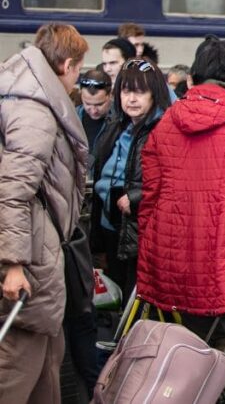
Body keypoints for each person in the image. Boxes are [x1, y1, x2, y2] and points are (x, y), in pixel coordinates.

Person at [136, 36, 225, 395]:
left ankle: (190, 393)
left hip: (175, 254)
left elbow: (150, 197)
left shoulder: (167, 121)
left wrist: (151, 247)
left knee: (193, 341)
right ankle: (207, 394)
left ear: (196, 76)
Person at [0, 23, 89, 402]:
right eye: (80, 70)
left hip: (39, 246)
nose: (79, 79)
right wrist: (13, 264)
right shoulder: (36, 109)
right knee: (20, 362)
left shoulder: (20, 91)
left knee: (47, 362)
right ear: (66, 65)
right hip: (31, 254)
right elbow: (12, 192)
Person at [90, 58, 171, 295]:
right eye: (126, 91)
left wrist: (136, 197)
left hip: (139, 232)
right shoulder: (116, 124)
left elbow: (172, 179)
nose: (132, 99)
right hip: (110, 227)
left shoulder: (163, 128)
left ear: (155, 94)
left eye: (140, 92)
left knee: (133, 303)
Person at [78, 69, 113, 151]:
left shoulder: (121, 121)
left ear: (110, 95)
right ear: (81, 95)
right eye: (87, 104)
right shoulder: (72, 117)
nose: (93, 111)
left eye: (99, 104)